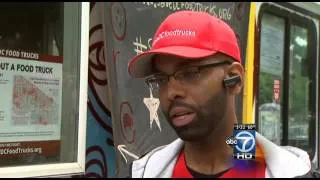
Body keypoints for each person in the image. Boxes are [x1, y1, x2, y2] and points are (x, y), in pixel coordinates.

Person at [125, 10, 314, 178]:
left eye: (190, 73)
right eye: (161, 79)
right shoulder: (143, 172)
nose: (171, 93)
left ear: (234, 79)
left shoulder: (287, 171)